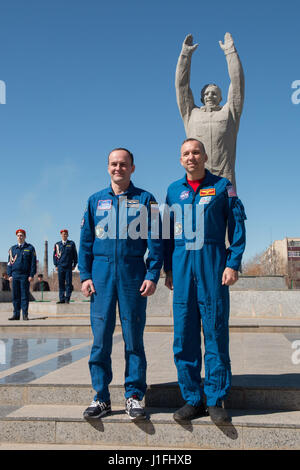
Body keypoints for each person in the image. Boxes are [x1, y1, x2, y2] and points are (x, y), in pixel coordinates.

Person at [164, 138, 246, 424]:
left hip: (213, 265)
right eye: (185, 153)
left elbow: (237, 228)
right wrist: (168, 270)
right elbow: (165, 234)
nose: (191, 157)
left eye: (196, 152)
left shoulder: (224, 187)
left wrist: (232, 264)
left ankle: (215, 398)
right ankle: (192, 399)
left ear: (205, 156)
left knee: (215, 333)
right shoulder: (173, 191)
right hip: (182, 265)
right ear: (180, 159)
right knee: (183, 337)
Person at [79, 147, 162, 421]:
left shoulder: (145, 199)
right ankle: (101, 397)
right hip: (101, 276)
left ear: (132, 168)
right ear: (107, 168)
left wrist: (152, 275)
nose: (118, 168)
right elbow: (85, 243)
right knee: (100, 339)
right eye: (114, 164)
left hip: (132, 274)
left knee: (133, 338)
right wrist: (86, 275)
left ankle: (134, 396)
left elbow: (156, 242)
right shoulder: (94, 201)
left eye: (123, 164)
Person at [175, 32, 244, 190]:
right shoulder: (191, 114)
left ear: (221, 98)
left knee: (230, 215)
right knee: (196, 214)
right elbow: (182, 86)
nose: (210, 95)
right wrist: (185, 54)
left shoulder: (229, 113)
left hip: (225, 178)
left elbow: (237, 83)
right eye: (206, 93)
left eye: (214, 93)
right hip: (197, 178)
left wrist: (230, 52)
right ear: (201, 98)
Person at [7, 229, 37, 321]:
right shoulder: (12, 249)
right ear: (16, 237)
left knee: (24, 296)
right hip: (15, 275)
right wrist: (9, 275)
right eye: (18, 235)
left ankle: (25, 315)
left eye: (21, 235)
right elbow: (9, 263)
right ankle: (16, 315)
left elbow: (33, 263)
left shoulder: (30, 248)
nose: (20, 237)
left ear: (25, 237)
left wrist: (31, 275)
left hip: (25, 276)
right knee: (15, 296)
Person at [53, 229, 77, 304]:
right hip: (60, 267)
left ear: (67, 235)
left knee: (69, 283)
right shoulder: (57, 245)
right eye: (63, 234)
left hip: (68, 267)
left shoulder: (71, 243)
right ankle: (61, 299)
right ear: (61, 235)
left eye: (66, 234)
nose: (64, 235)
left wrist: (75, 264)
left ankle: (67, 298)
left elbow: (75, 255)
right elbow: (55, 256)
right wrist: (56, 265)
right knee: (61, 283)